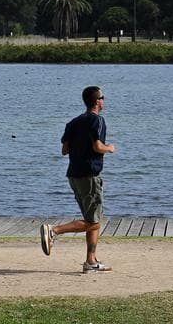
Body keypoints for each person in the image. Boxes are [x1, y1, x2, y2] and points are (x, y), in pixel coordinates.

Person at [41, 85, 115, 272]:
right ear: (97, 101)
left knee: (92, 218)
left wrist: (79, 147)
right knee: (95, 222)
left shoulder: (73, 123)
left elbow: (65, 150)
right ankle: (54, 231)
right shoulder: (98, 121)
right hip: (89, 176)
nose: (104, 100)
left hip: (73, 175)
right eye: (102, 97)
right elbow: (98, 146)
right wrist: (110, 148)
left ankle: (91, 261)